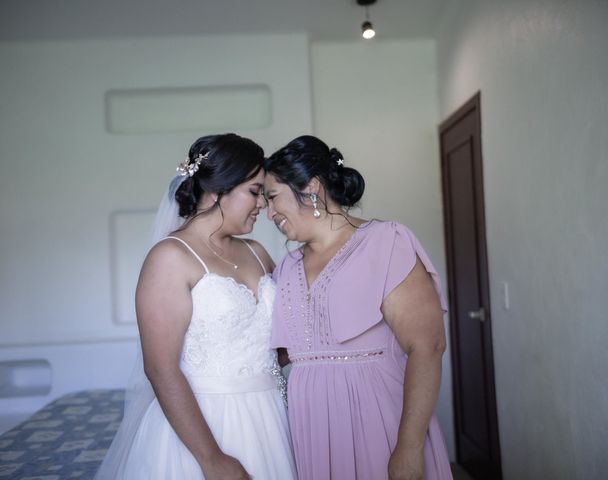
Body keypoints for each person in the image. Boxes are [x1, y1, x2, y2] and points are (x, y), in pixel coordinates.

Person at [95, 133, 297, 479]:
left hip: (271, 416)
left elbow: (280, 342)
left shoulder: (257, 253)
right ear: (218, 191)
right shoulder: (170, 258)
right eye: (254, 192)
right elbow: (160, 369)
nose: (262, 204)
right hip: (206, 423)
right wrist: (211, 459)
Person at [264, 135, 452, 480]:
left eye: (273, 197)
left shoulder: (384, 243)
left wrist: (408, 447)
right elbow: (280, 352)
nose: (269, 212)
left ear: (311, 187)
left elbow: (428, 346)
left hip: (377, 419)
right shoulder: (286, 268)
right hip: (311, 432)